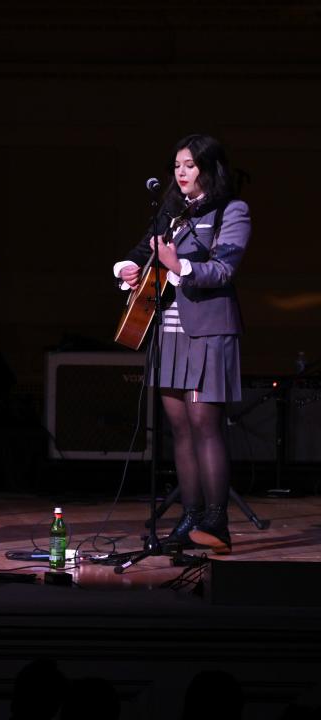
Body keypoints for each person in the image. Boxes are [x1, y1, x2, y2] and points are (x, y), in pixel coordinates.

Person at [113, 134, 251, 554]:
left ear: (209, 168)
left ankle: (216, 521)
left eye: (189, 165)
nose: (181, 172)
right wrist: (129, 268)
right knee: (179, 429)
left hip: (209, 331)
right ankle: (189, 516)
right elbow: (141, 250)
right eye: (177, 165)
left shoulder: (232, 210)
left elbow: (222, 270)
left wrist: (180, 264)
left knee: (206, 426)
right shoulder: (172, 211)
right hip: (168, 328)